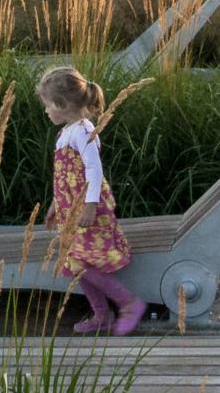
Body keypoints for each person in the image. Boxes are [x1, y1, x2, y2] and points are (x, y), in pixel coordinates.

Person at [39, 66, 143, 335]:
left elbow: (93, 170)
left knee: (82, 263)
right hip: (70, 209)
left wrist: (89, 205)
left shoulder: (83, 131)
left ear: (62, 105)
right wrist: (55, 203)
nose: (46, 111)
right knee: (75, 263)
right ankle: (102, 315)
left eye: (49, 106)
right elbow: (64, 176)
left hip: (87, 209)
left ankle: (128, 302)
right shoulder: (68, 131)